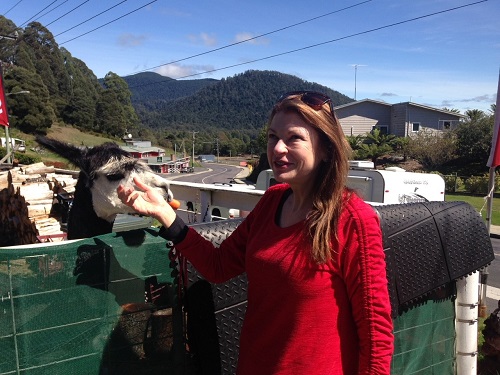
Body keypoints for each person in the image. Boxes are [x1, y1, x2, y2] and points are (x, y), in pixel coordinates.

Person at [117, 91, 394, 374]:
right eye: (273, 137)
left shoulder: (353, 219)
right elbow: (218, 266)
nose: (278, 149)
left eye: (294, 138)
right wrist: (166, 214)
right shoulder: (272, 201)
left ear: (325, 149)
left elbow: (376, 334)